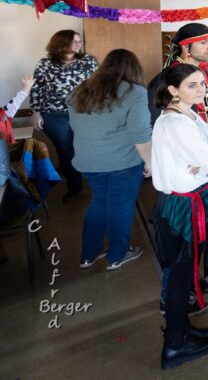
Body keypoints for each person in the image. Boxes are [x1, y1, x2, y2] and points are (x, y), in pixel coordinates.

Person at [150, 63, 208, 370]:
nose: (201, 90)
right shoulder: (175, 123)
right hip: (180, 206)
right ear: (172, 90)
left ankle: (181, 331)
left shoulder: (187, 114)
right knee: (180, 276)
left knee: (186, 271)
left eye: (202, 84)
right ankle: (174, 345)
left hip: (188, 200)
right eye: (193, 85)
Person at [67, 49, 152, 271]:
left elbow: (75, 126)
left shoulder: (81, 90)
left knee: (100, 202)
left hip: (87, 161)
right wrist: (151, 163)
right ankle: (118, 255)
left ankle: (89, 254)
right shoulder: (135, 92)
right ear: (134, 68)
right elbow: (141, 134)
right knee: (120, 206)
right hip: (121, 163)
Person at [30, 29, 97, 202]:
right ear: (61, 43)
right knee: (66, 150)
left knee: (88, 147)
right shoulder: (45, 63)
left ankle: (97, 183)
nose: (78, 44)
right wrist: (36, 112)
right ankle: (75, 187)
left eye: (79, 41)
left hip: (84, 113)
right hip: (55, 115)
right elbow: (37, 89)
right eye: (74, 41)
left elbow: (97, 86)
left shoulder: (88, 61)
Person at [149, 23, 208, 125]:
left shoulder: (201, 74)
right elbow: (156, 120)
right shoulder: (167, 78)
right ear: (186, 47)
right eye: (203, 43)